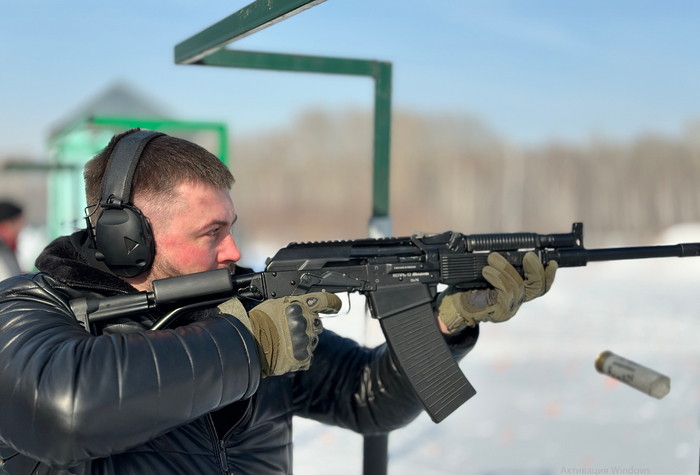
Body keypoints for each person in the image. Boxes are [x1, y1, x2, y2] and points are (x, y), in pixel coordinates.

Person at [0, 130, 556, 475]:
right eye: (211, 232)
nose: (234, 251)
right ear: (128, 237)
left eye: (231, 227)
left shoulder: (241, 306)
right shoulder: (31, 307)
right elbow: (61, 410)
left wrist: (444, 325)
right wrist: (253, 347)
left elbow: (365, 398)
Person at [0, 202, 24, 281]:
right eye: (20, 222)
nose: (22, 228)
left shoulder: (7, 246)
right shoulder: (3, 248)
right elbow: (9, 281)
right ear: (8, 222)